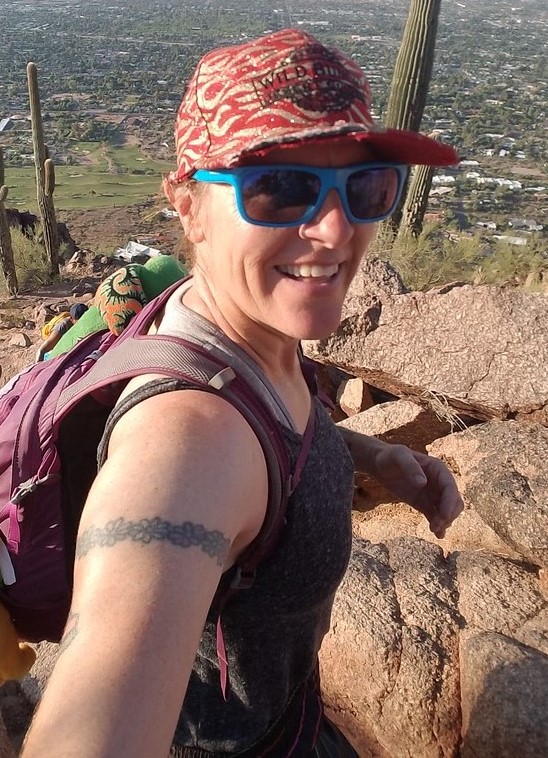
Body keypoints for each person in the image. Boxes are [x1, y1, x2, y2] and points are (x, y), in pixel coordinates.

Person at [21, 28, 463, 757]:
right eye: (278, 188)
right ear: (188, 205)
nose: (333, 228)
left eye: (365, 186)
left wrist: (371, 456)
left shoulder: (231, 317)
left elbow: (271, 440)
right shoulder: (185, 445)